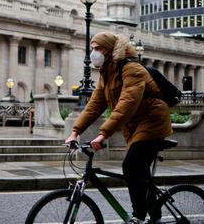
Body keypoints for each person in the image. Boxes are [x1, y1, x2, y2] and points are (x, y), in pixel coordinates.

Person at [65, 32, 173, 224]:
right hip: (135, 125)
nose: (93, 52)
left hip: (153, 121)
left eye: (97, 48)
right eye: (92, 48)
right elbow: (94, 105)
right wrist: (75, 131)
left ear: (108, 50)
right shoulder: (107, 72)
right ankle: (154, 213)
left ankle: (139, 217)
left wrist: (103, 134)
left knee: (131, 166)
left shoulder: (132, 68)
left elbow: (127, 103)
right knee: (139, 172)